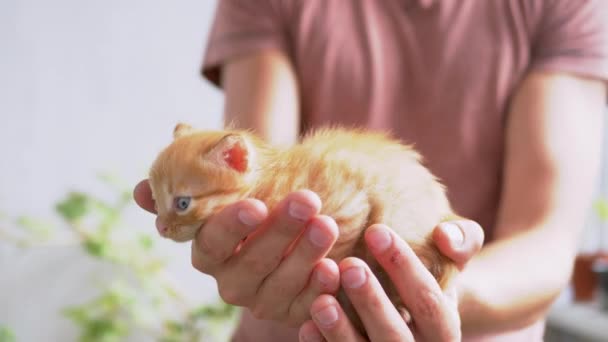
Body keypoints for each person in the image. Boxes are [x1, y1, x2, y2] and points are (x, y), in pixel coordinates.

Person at [134, 0, 608, 341]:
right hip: (293, 325)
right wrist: (241, 248)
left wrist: (428, 294)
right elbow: (258, 187)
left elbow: (546, 246)